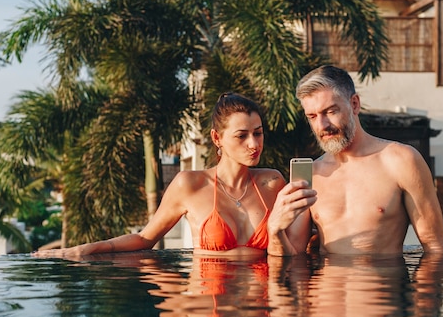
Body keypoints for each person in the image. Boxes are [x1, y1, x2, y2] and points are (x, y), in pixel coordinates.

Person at [33, 92, 285, 259]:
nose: (254, 144)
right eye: (242, 136)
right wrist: (83, 249)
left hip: (260, 308)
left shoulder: (272, 183)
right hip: (211, 301)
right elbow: (145, 238)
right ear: (217, 138)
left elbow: (295, 244)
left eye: (258, 133)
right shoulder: (190, 184)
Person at [267, 65, 443, 256]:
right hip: (324, 284)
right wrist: (275, 230)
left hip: (381, 283)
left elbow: (435, 247)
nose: (322, 125)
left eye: (330, 111)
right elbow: (292, 255)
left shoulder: (401, 160)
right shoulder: (313, 173)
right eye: (312, 116)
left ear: (354, 104)